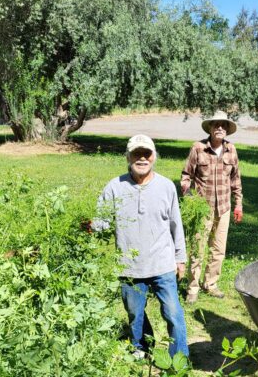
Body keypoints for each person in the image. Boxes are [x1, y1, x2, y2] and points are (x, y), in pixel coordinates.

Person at [93, 134, 189, 359]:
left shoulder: (166, 186)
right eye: (137, 154)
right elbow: (101, 221)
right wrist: (89, 226)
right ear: (128, 157)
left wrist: (180, 258)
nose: (142, 159)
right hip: (129, 267)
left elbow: (176, 225)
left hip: (162, 264)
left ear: (154, 157)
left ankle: (179, 359)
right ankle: (142, 348)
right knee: (135, 314)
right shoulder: (114, 187)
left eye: (147, 154)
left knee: (173, 314)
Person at [180, 111, 243, 304]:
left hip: (223, 207)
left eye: (223, 125)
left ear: (227, 130)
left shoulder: (231, 150)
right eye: (216, 125)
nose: (220, 128)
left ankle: (211, 283)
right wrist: (190, 198)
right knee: (197, 248)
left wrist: (238, 203)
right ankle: (193, 287)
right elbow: (185, 176)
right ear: (210, 128)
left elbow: (236, 180)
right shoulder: (198, 148)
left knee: (218, 249)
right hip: (202, 207)